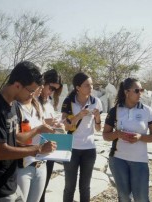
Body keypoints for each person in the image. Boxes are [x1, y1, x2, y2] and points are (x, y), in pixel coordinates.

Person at [0, 61, 57, 201]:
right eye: (31, 91)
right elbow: (2, 152)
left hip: (10, 181)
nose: (32, 95)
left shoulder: (13, 105)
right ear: (17, 85)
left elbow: (15, 140)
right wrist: (38, 149)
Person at [103, 77, 152, 202]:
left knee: (141, 198)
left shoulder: (147, 111)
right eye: (137, 90)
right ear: (126, 92)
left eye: (142, 90)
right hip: (118, 160)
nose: (140, 93)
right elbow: (105, 135)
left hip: (139, 160)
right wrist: (117, 134)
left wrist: (140, 137)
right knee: (124, 197)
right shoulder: (115, 111)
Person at [61, 72, 102, 202]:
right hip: (71, 148)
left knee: (85, 187)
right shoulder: (68, 101)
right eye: (87, 85)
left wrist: (97, 118)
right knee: (69, 187)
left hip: (89, 149)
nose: (91, 88)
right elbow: (64, 127)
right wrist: (79, 115)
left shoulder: (96, 102)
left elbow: (98, 129)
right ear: (78, 87)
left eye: (91, 85)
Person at [16, 93, 55, 202]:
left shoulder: (37, 106)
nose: (41, 89)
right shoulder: (16, 106)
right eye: (38, 86)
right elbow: (17, 138)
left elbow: (42, 130)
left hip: (41, 164)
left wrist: (53, 128)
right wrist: (38, 129)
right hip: (23, 166)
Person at [39, 69, 63, 202]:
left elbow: (50, 124)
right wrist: (45, 122)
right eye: (51, 87)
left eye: (55, 90)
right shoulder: (31, 100)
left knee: (43, 189)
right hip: (35, 150)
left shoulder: (48, 102)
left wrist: (57, 126)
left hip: (49, 148)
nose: (52, 92)